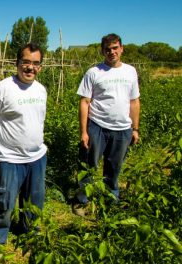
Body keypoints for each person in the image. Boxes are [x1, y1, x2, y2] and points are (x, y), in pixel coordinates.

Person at [0, 43, 48, 244]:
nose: (30, 67)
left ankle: (28, 232)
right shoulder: (2, 89)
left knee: (34, 200)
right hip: (9, 158)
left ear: (40, 67)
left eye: (35, 63)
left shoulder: (41, 90)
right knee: (4, 202)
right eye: (26, 62)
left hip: (37, 156)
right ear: (16, 63)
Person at [74, 33, 140, 215]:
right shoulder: (94, 72)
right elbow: (84, 102)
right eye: (107, 49)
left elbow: (134, 101)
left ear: (121, 49)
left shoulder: (130, 71)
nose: (112, 52)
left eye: (115, 48)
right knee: (88, 165)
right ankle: (82, 200)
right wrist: (84, 131)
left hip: (123, 129)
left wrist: (135, 128)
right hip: (97, 126)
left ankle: (111, 199)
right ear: (102, 51)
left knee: (114, 167)